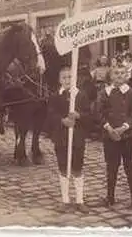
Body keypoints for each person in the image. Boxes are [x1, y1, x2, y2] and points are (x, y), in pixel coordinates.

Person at [96, 64, 132, 212]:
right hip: (110, 136)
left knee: (131, 168)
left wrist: (123, 127)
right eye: (116, 73)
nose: (119, 76)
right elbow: (99, 113)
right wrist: (109, 129)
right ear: (110, 76)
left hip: (128, 136)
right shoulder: (104, 93)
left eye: (122, 73)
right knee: (112, 167)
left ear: (126, 76)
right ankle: (110, 197)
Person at [47, 65, 92, 214]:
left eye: (70, 77)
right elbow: (50, 115)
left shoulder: (81, 95)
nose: (67, 80)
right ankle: (65, 199)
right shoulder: (55, 96)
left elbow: (89, 116)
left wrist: (79, 116)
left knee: (77, 168)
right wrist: (62, 120)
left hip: (77, 137)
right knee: (63, 167)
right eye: (64, 77)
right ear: (60, 80)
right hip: (61, 137)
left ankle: (80, 200)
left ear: (75, 78)